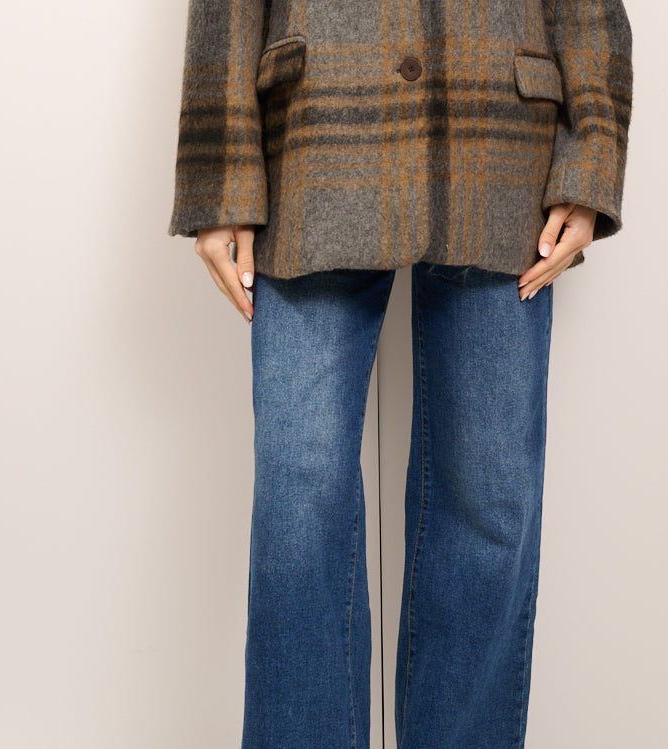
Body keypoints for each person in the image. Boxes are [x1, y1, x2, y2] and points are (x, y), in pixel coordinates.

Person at [168, 1, 633, 746]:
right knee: (299, 489)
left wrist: (591, 157)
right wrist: (221, 173)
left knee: (488, 497)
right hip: (318, 126)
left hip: (501, 134)